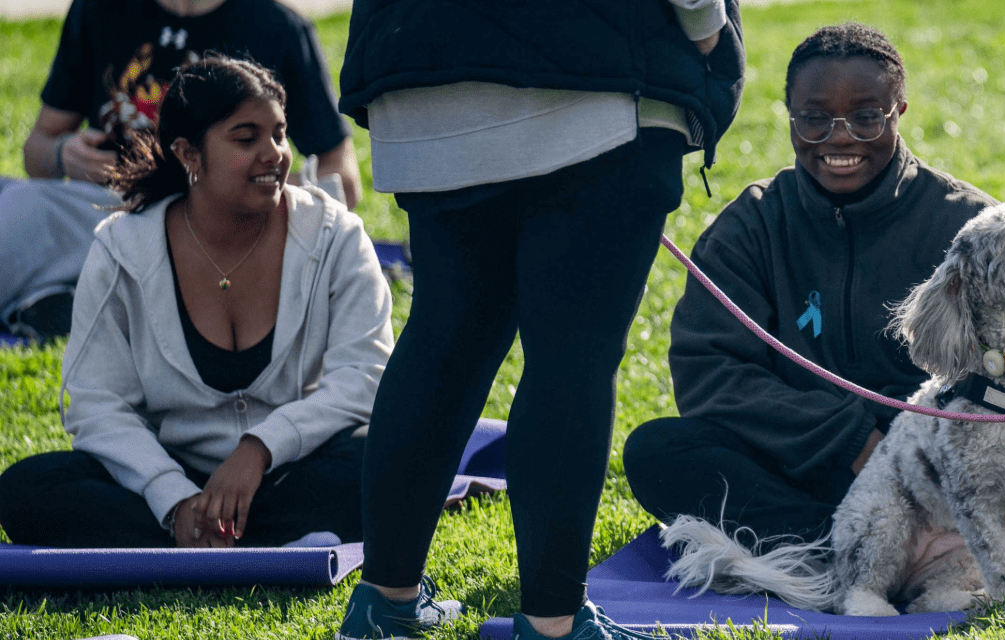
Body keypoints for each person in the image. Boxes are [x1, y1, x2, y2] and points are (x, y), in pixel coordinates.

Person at [332, 0, 746, 637]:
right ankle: (552, 624)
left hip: (418, 64)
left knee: (446, 337)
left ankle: (384, 602)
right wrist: (708, 29)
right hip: (594, 76)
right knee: (571, 357)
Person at [624, 23, 997, 547]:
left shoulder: (969, 226)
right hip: (803, 462)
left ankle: (910, 541)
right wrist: (847, 439)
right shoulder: (751, 225)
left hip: (929, 467)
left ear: (899, 112)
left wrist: (901, 447)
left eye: (867, 117)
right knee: (656, 451)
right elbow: (709, 373)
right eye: (815, 118)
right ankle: (845, 547)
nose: (840, 136)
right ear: (791, 118)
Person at [0, 56, 392, 550]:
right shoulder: (122, 247)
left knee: (391, 457)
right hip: (167, 470)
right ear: (189, 154)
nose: (275, 154)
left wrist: (260, 449)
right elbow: (99, 405)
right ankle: (210, 528)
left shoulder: (335, 235)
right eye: (246, 139)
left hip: (294, 465)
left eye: (279, 134)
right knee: (29, 488)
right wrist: (174, 498)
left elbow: (365, 377)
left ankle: (207, 537)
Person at [0, 0, 361, 343]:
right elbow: (37, 152)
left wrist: (237, 186)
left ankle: (83, 293)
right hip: (106, 208)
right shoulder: (99, 10)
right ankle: (72, 296)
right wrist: (63, 155)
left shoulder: (277, 27)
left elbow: (342, 181)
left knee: (31, 215)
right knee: (15, 202)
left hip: (214, 225)